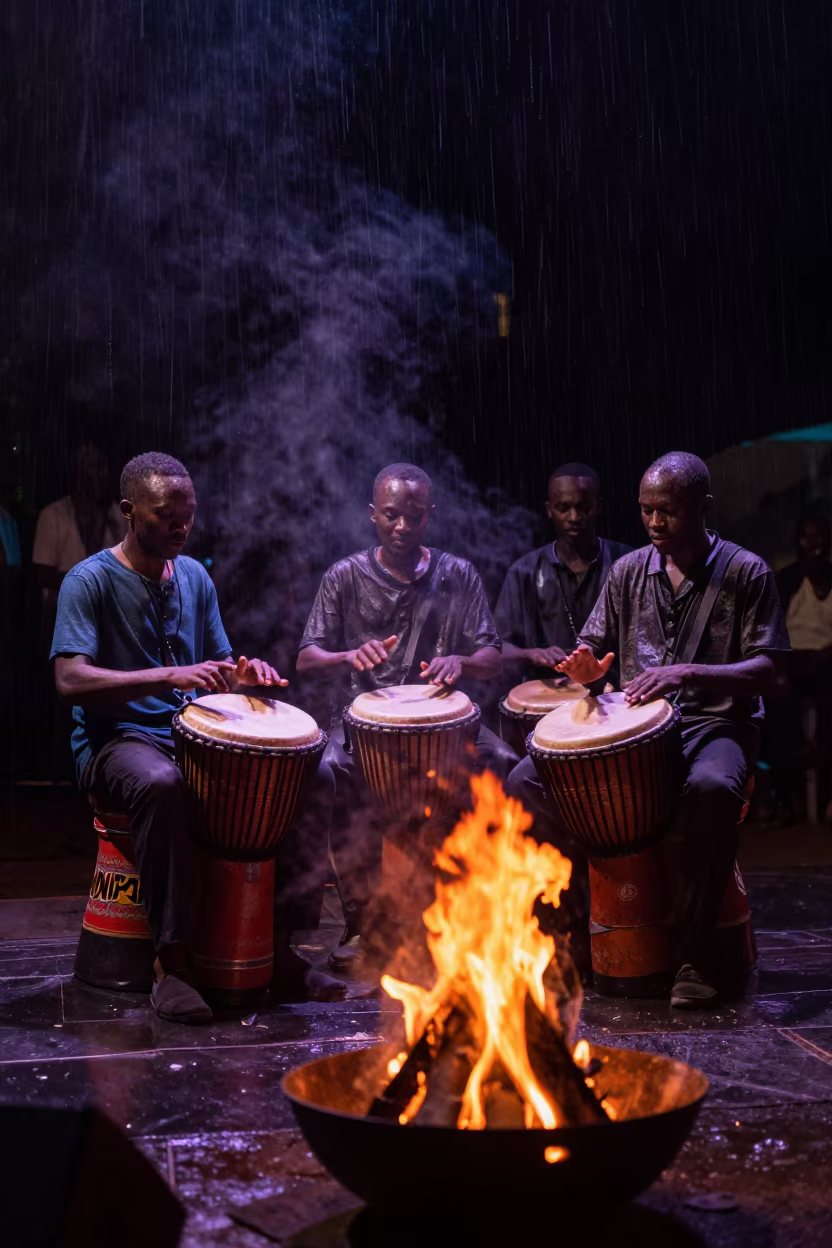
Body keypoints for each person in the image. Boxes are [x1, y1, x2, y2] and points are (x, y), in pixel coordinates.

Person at [52, 452, 344, 1024]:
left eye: (188, 514)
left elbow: (219, 668)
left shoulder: (194, 577)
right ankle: (172, 964)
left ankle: (282, 947)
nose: (181, 526)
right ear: (129, 511)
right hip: (117, 741)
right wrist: (169, 676)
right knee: (164, 786)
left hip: (191, 734)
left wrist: (246, 675)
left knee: (314, 770)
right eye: (166, 515)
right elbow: (69, 680)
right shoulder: (88, 581)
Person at [507, 451, 790, 1007]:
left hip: (715, 725)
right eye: (645, 511)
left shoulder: (746, 572)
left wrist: (687, 672)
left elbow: (772, 670)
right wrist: (586, 670)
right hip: (635, 729)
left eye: (668, 511)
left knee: (711, 789)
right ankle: (573, 934)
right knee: (525, 783)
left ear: (703, 508)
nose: (655, 522)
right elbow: (594, 650)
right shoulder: (629, 571)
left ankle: (696, 955)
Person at [296, 462, 516, 973]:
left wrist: (460, 661)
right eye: (391, 515)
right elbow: (307, 658)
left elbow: (492, 656)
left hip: (446, 722)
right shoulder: (345, 575)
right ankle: (362, 923)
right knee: (331, 771)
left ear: (429, 516)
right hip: (362, 721)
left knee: (502, 761)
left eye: (413, 517)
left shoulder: (458, 574)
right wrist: (349, 655)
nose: (401, 526)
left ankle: (473, 913)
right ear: (372, 514)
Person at [494, 462, 630, 681]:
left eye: (583, 507)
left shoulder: (627, 564)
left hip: (612, 690)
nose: (574, 517)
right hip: (548, 689)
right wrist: (531, 654)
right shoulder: (525, 571)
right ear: (549, 510)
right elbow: (495, 648)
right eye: (563, 508)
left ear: (599, 506)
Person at [764, 514, 832, 818]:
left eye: (819, 537)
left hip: (829, 664)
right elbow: (770, 632)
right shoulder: (786, 581)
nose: (813, 544)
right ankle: (785, 797)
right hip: (792, 664)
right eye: (807, 537)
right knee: (774, 706)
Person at [33, 441, 125, 604]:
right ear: (77, 475)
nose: (102, 474)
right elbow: (43, 575)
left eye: (103, 467)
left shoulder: (119, 515)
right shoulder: (53, 515)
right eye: (93, 467)